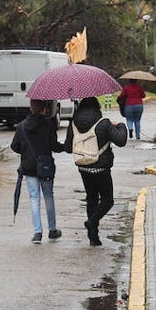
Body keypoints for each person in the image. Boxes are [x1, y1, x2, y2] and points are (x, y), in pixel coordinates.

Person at [64, 96, 128, 246]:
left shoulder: (73, 123)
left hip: (83, 167)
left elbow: (68, 148)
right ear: (97, 107)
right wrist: (120, 125)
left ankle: (93, 237)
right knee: (108, 200)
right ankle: (92, 221)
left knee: (91, 198)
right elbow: (121, 140)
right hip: (101, 168)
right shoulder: (103, 123)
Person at [10, 99, 65, 244]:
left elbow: (14, 146)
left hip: (28, 167)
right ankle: (52, 230)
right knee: (48, 196)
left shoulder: (21, 126)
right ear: (45, 109)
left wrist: (25, 150)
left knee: (34, 198)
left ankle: (37, 232)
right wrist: (66, 147)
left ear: (30, 107)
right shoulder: (49, 125)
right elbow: (54, 146)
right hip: (45, 167)